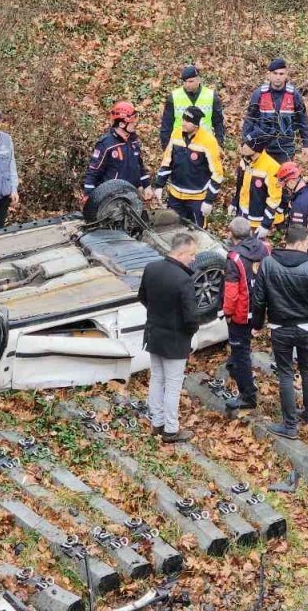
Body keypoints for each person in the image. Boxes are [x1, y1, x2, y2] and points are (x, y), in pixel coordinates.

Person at [250, 224, 308, 439]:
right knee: (307, 369)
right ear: (297, 243)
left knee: (285, 373)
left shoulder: (267, 264)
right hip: (306, 327)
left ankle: (290, 425)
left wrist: (257, 325)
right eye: (307, 244)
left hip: (280, 327)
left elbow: (258, 300)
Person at [138, 232, 201, 443]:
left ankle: (157, 422)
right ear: (181, 253)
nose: (193, 258)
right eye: (192, 254)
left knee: (157, 379)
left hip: (154, 334)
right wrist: (189, 333)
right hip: (175, 340)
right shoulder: (184, 279)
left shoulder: (151, 268)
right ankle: (171, 429)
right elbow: (191, 317)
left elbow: (143, 297)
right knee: (173, 385)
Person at [221, 217, 271, 411]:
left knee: (241, 354)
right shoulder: (264, 248)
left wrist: (226, 313)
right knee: (241, 349)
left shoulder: (234, 258)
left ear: (231, 233)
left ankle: (247, 395)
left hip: (240, 314)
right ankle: (233, 365)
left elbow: (231, 292)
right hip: (258, 308)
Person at [154, 106, 224, 225]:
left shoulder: (208, 141)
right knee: (173, 230)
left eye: (187, 121)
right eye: (183, 119)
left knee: (198, 234)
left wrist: (209, 200)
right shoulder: (176, 134)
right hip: (175, 196)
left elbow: (217, 173)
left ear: (196, 125)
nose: (183, 123)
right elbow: (167, 161)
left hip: (196, 199)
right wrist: (159, 185)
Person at [240, 58, 308, 163]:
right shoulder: (259, 94)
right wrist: (245, 141)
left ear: (286, 75)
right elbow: (250, 119)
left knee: (284, 178)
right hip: (261, 146)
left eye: (281, 74)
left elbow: (303, 120)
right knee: (260, 178)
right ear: (269, 75)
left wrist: (307, 144)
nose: (278, 77)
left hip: (285, 148)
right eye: (275, 73)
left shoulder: (294, 95)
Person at [83, 101, 153, 204]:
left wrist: (147, 186)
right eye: (132, 122)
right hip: (112, 198)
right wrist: (88, 195)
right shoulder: (106, 144)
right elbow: (93, 171)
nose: (135, 125)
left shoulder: (133, 140)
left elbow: (139, 166)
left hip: (132, 195)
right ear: (121, 124)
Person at [159, 65, 227, 147]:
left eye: (191, 81)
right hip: (180, 146)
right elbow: (166, 126)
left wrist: (219, 144)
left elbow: (218, 123)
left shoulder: (211, 96)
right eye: (185, 81)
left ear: (199, 80)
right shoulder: (174, 96)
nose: (187, 85)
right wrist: (166, 148)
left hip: (205, 145)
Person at [275, 161, 308, 263]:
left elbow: (296, 237)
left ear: (290, 182)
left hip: (303, 256)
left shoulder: (300, 204)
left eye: (285, 185)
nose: (285, 189)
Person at [230, 138, 283, 237]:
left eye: (248, 145)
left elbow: (274, 199)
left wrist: (265, 225)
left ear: (257, 148)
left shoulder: (272, 167)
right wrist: (234, 203)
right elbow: (240, 185)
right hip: (241, 214)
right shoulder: (244, 161)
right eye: (244, 144)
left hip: (257, 220)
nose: (243, 147)